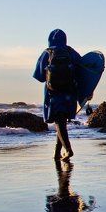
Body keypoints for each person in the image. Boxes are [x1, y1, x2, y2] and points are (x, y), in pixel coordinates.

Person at [33, 29, 82, 161]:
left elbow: (39, 76)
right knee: (62, 122)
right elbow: (82, 69)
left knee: (59, 121)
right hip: (70, 93)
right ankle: (57, 152)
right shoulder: (70, 52)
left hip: (53, 93)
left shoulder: (47, 53)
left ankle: (67, 149)